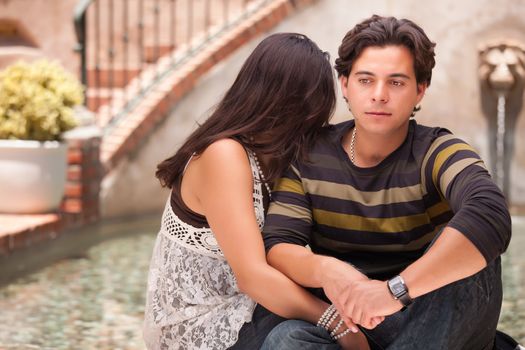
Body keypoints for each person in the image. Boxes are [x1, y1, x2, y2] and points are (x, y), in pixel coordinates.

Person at [261, 15, 513, 350]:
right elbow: (279, 246)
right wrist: (328, 270)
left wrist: (393, 292)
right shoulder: (309, 156)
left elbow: (490, 213)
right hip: (352, 324)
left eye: (396, 83)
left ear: (420, 90)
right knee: (286, 339)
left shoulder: (438, 150)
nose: (379, 95)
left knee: (475, 258)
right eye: (366, 80)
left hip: (432, 314)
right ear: (345, 84)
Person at [143, 33, 370, 350]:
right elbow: (252, 276)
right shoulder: (223, 154)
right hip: (207, 327)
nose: (314, 122)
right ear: (284, 102)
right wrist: (341, 328)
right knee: (338, 323)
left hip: (249, 305)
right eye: (311, 108)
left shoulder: (270, 156)